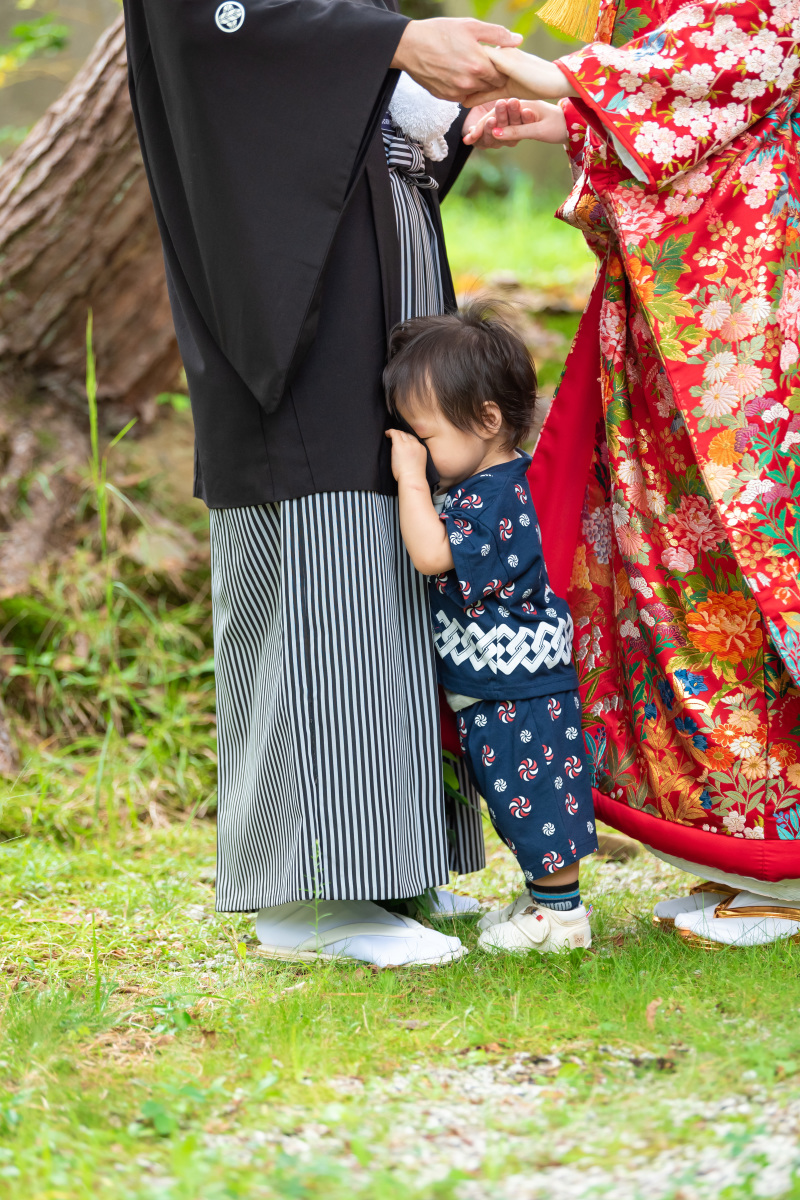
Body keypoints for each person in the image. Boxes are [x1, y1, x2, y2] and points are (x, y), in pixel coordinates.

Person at [122, 0, 533, 966]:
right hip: (289, 288)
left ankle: (390, 866)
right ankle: (310, 896)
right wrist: (392, 45)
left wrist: (420, 105)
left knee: (399, 528)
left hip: (374, 249)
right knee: (327, 543)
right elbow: (213, 26)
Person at [460, 0, 800, 946]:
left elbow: (754, 41)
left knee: (747, 551)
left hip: (752, 288)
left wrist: (572, 79)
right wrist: (581, 111)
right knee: (668, 556)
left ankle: (782, 861)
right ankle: (732, 844)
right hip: (687, 279)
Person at [385, 303, 597, 953]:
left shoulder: (496, 493)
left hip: (518, 688)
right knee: (516, 797)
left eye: (426, 435)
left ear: (487, 421)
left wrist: (408, 481)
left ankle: (561, 917)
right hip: (507, 684)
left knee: (531, 794)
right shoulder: (495, 479)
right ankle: (544, 899)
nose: (420, 449)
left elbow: (431, 555)